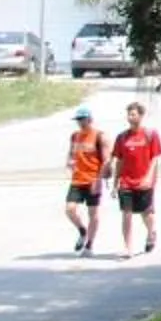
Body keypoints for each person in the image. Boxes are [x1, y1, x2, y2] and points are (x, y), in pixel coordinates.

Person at [105, 100, 161, 257]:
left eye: (133, 114)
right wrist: (115, 184)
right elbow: (119, 160)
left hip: (144, 181)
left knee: (146, 213)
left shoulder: (150, 135)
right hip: (126, 181)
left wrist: (148, 177)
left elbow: (154, 158)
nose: (130, 117)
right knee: (126, 213)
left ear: (141, 116)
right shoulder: (122, 137)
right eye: (128, 114)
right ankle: (128, 247)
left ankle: (152, 232)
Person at [62, 106, 106, 255]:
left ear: (90, 119)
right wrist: (69, 162)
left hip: (93, 179)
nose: (80, 123)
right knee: (70, 209)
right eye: (78, 120)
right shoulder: (75, 136)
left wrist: (99, 179)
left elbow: (106, 160)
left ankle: (90, 245)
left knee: (93, 213)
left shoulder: (99, 136)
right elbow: (70, 153)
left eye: (82, 120)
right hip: (77, 180)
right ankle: (82, 230)